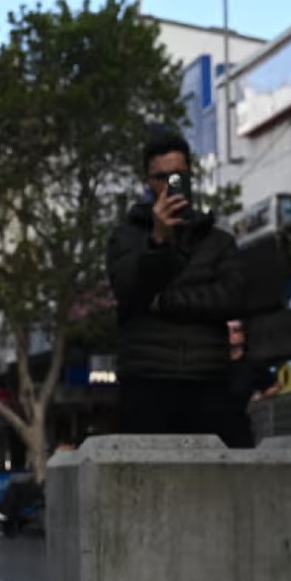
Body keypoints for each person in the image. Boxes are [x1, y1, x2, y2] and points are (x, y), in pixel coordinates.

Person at [107, 134, 248, 437]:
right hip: (147, 379)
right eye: (161, 177)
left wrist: (165, 303)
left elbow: (232, 298)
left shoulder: (218, 241)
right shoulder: (126, 239)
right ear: (147, 181)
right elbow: (128, 293)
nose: (170, 184)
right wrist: (158, 241)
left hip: (207, 378)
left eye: (177, 176)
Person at [221, 320, 278, 449]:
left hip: (240, 427)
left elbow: (274, 386)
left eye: (235, 330)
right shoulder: (212, 362)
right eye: (227, 330)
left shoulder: (253, 364)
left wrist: (259, 398)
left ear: (243, 335)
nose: (230, 334)